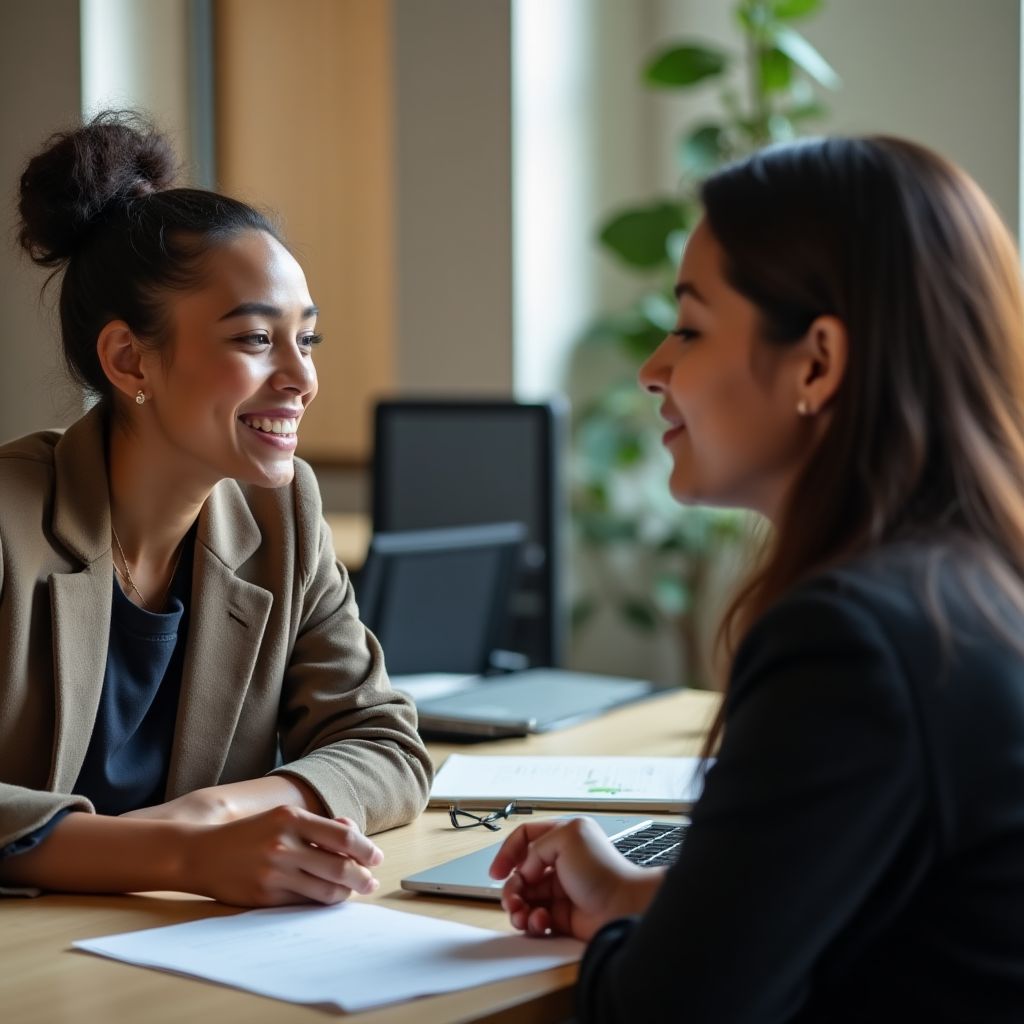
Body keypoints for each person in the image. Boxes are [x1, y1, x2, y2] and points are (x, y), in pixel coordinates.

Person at [490, 136, 1024, 1021]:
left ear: (816, 362)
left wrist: (632, 948)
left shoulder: (852, 641)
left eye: (691, 328)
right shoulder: (972, 589)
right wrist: (633, 899)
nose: (653, 368)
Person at [0, 111, 433, 907]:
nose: (301, 379)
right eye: (256, 341)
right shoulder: (9, 520)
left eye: (308, 339)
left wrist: (222, 812)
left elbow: (384, 745)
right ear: (130, 358)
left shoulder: (284, 514)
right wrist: (177, 854)